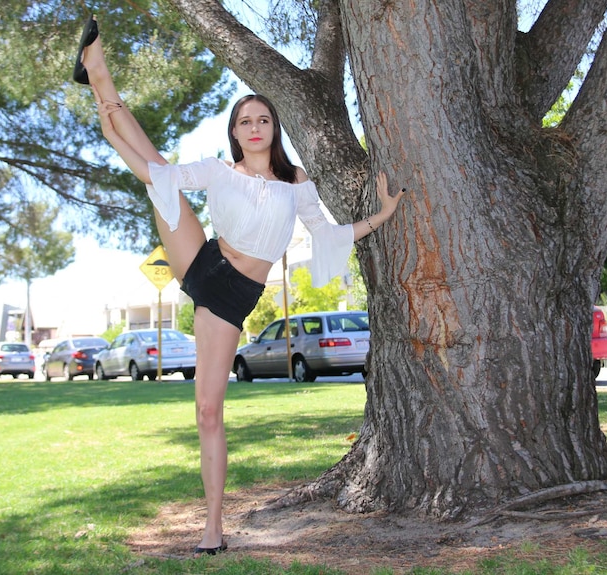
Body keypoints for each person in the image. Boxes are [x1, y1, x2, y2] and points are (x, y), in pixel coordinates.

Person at [73, 15, 404, 558]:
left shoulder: (295, 183)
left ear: (274, 129)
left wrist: (382, 215)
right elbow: (157, 175)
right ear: (235, 131)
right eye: (245, 121)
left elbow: (326, 234)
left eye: (263, 120)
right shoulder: (220, 171)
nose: (254, 127)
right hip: (202, 262)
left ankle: (212, 524)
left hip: (230, 299)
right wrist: (112, 128)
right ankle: (100, 78)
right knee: (154, 164)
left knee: (209, 408)